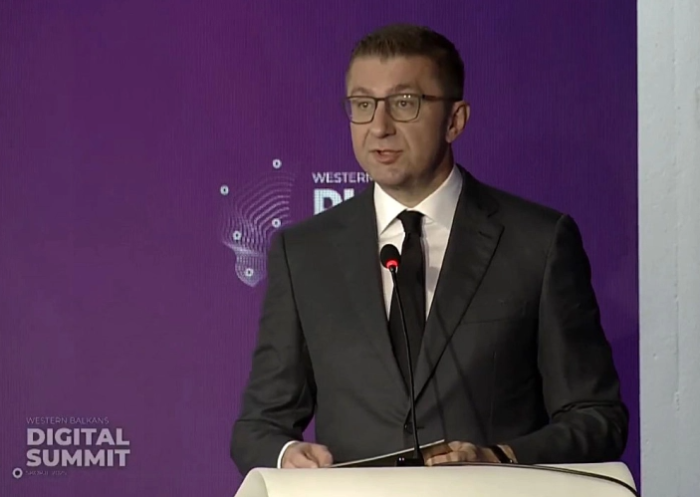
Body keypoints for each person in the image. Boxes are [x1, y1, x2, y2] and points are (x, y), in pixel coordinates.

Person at [230, 23, 628, 475]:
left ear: (454, 120)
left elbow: (597, 419)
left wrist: (499, 458)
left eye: (404, 103)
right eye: (362, 104)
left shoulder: (538, 242)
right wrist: (286, 454)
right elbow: (259, 426)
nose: (379, 127)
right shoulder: (303, 253)